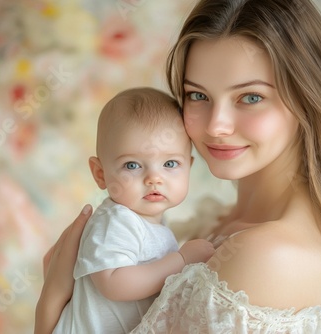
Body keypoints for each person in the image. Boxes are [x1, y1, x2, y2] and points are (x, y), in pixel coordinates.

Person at [35, 0, 321, 332]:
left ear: (309, 98)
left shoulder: (273, 255)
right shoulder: (214, 222)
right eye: (198, 96)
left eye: (250, 97)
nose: (216, 126)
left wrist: (51, 302)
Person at [51, 87, 215, 334]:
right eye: (132, 165)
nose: (154, 178)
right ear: (100, 174)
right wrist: (181, 260)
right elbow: (114, 283)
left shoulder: (152, 222)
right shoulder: (116, 220)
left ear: (188, 167)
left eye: (170, 163)